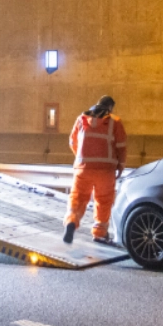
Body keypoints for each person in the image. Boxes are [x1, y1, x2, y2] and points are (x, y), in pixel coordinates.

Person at [65, 95, 127, 245]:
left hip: (83, 169)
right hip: (106, 170)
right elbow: (121, 146)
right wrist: (120, 165)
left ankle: (71, 222)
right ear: (110, 107)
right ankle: (99, 233)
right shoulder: (115, 122)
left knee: (78, 198)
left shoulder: (81, 119)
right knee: (103, 201)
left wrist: (82, 159)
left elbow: (73, 142)